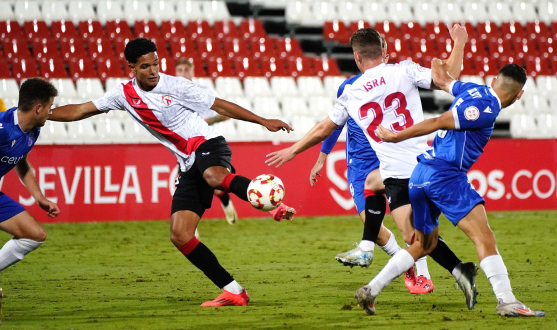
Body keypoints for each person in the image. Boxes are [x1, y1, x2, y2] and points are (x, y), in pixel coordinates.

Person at [49, 38, 294, 307]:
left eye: (156, 64)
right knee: (180, 235)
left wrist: (262, 121)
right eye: (145, 66)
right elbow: (81, 110)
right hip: (188, 163)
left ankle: (271, 201)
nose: (153, 71)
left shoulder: (177, 86)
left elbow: (220, 105)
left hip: (208, 143)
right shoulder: (122, 95)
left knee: (213, 176)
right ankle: (235, 291)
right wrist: (43, 114)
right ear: (131, 68)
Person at [268, 26, 479, 301]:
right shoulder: (405, 70)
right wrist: (459, 42)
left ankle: (369, 250)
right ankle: (460, 270)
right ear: (384, 52)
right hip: (426, 163)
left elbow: (323, 129)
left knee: (415, 237)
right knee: (400, 217)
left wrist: (294, 150)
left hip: (400, 174)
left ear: (357, 58)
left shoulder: (352, 91)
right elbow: (449, 76)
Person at [361, 62, 545, 317]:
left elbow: (443, 78)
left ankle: (371, 289)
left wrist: (451, 48)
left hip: (420, 174)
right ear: (520, 94)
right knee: (485, 238)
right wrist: (396, 136)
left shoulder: (472, 90)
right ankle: (507, 301)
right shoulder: (487, 108)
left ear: (493, 80)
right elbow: (439, 121)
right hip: (445, 175)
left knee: (423, 245)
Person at [309, 36, 421, 293]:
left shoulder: (395, 80)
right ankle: (406, 264)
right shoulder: (350, 88)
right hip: (360, 163)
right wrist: (321, 158)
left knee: (406, 226)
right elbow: (334, 128)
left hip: (386, 159)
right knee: (374, 227)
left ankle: (415, 269)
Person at [175, 58, 296, 226]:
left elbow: (224, 113)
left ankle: (274, 205)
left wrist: (205, 121)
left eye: (186, 70)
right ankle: (198, 224)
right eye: (179, 70)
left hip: (205, 142)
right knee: (208, 186)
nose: (182, 74)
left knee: (211, 180)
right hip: (184, 149)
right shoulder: (169, 94)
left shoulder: (202, 92)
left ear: (193, 72)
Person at [0, 78, 60, 279]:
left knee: (35, 235)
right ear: (38, 108)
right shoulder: (2, 130)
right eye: (50, 106)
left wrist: (39, 198)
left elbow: (21, 161)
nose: (50, 111)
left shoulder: (33, 130)